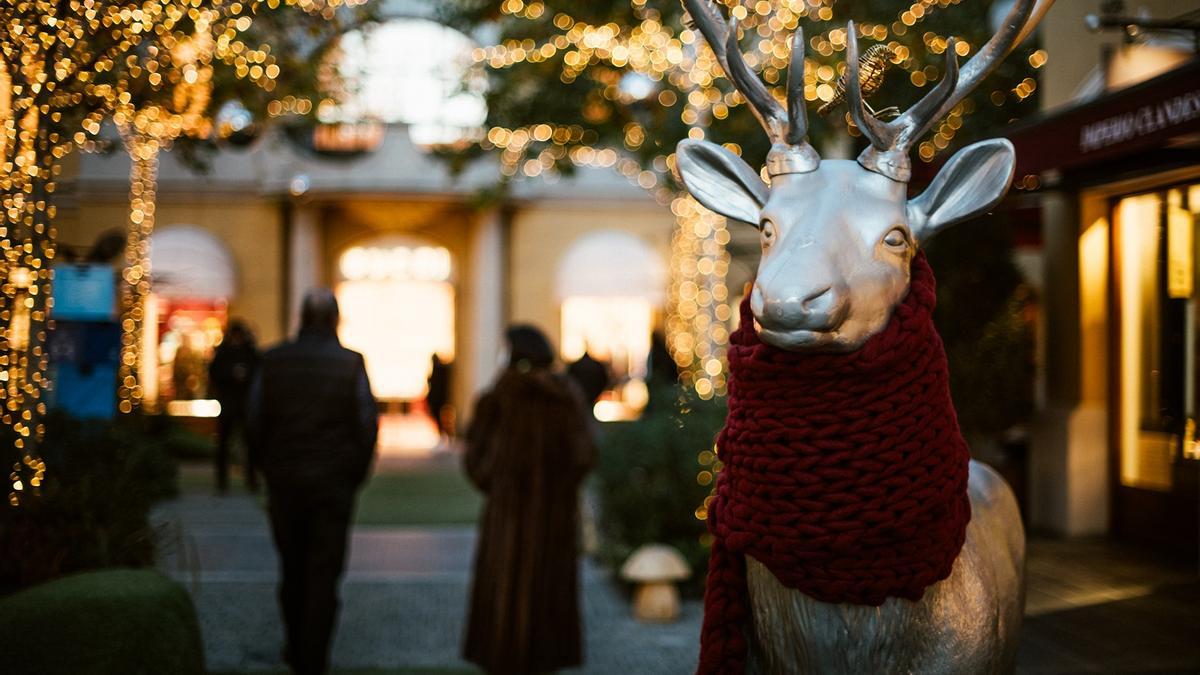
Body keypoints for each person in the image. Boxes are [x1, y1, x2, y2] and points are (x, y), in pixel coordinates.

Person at [246, 289, 377, 675]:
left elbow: (254, 421)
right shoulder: (350, 363)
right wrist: (355, 473)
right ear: (335, 319)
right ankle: (312, 657)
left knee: (292, 567)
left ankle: (296, 644)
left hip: (285, 480)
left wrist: (263, 467)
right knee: (324, 572)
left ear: (301, 317)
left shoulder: (273, 361)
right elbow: (366, 423)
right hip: (333, 483)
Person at [463, 325, 596, 675]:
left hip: (506, 519)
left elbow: (475, 459)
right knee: (547, 599)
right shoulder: (566, 395)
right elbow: (584, 455)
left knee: (504, 602)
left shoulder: (498, 396)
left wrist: (499, 483)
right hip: (554, 518)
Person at [208, 319, 260, 493]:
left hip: (243, 404)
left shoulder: (249, 353)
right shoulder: (225, 353)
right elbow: (215, 374)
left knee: (250, 444)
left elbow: (258, 373)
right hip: (230, 403)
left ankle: (251, 480)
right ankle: (222, 481)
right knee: (225, 443)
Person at [425, 353, 451, 438]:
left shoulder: (439, 370)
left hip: (438, 399)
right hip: (439, 398)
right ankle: (443, 433)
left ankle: (444, 433)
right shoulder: (439, 370)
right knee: (439, 416)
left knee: (440, 417)